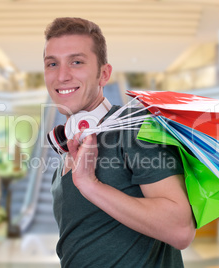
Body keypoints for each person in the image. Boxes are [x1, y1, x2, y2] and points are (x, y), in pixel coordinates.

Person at [43, 17, 196, 267]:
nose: (61, 75)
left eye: (76, 62)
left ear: (104, 74)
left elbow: (180, 230)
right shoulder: (67, 150)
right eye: (52, 64)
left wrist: (90, 185)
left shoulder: (134, 125)